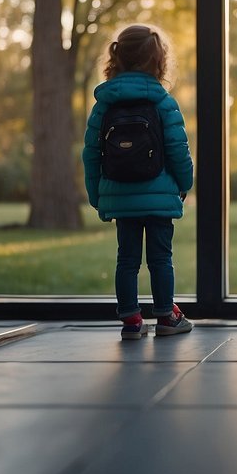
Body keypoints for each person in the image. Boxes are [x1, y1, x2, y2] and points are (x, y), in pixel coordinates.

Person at [82, 24, 195, 341]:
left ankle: (131, 320)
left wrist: (97, 195)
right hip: (159, 197)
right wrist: (185, 183)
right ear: (158, 62)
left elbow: (91, 153)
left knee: (126, 259)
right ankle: (165, 317)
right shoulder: (162, 102)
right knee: (161, 258)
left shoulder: (104, 103)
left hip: (120, 197)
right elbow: (177, 148)